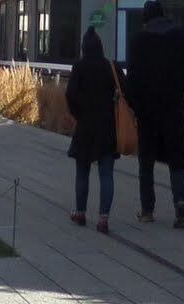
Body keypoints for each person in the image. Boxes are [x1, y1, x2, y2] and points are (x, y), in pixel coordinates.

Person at [122, 0, 184, 229]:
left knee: (145, 160)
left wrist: (133, 108)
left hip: (147, 112)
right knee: (177, 157)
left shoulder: (139, 41)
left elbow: (132, 80)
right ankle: (180, 205)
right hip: (172, 108)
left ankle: (147, 210)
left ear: (146, 19)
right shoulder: (180, 36)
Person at [63, 28, 120, 233]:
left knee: (82, 171)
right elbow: (124, 92)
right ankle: (103, 218)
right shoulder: (110, 67)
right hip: (107, 125)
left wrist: (77, 114)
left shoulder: (79, 67)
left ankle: (80, 212)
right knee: (106, 173)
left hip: (85, 125)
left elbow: (69, 94)